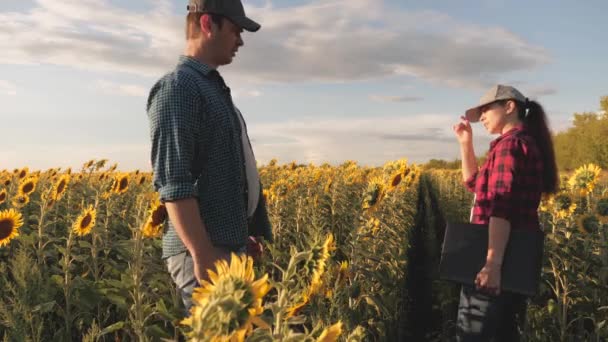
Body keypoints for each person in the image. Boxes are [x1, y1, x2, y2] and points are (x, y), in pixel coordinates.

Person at [146, 0, 272, 314]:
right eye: (235, 30)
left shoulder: (210, 88)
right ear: (207, 24)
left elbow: (233, 169)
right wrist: (202, 254)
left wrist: (244, 234)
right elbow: (174, 184)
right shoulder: (178, 88)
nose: (240, 40)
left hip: (226, 246)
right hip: (204, 252)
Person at [452, 85, 558, 341]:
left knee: (475, 334)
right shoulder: (519, 144)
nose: (483, 117)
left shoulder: (510, 147)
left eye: (486, 109)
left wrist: (492, 264)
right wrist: (466, 143)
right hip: (514, 258)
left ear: (509, 107)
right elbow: (474, 184)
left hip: (498, 259)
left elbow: (501, 206)